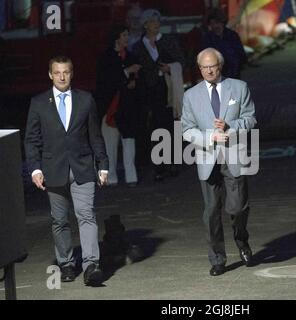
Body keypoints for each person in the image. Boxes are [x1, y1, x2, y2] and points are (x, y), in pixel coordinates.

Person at [24, 55, 109, 286]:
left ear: (72, 73)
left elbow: (95, 135)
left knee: (86, 215)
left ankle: (92, 265)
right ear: (50, 74)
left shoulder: (86, 99)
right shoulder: (39, 102)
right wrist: (34, 169)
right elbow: (32, 139)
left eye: (66, 72)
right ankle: (67, 264)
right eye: (57, 72)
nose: (62, 76)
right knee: (60, 220)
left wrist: (103, 165)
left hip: (83, 167)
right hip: (53, 169)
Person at [181, 48, 257, 276]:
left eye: (212, 66)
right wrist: (209, 137)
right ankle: (217, 259)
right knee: (211, 211)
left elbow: (250, 118)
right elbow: (186, 129)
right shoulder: (191, 95)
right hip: (207, 158)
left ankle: (241, 239)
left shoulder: (239, 87)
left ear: (220, 65)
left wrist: (230, 128)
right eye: (203, 67)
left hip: (233, 155)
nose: (208, 71)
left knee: (238, 207)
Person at [132, 8, 185, 181]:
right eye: (153, 22)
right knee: (156, 127)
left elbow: (182, 60)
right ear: (146, 25)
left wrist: (170, 68)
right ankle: (160, 165)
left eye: (158, 22)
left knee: (172, 124)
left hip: (168, 87)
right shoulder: (139, 46)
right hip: (151, 90)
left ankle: (174, 163)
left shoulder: (168, 41)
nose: (157, 25)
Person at [95, 25, 141, 187]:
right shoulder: (106, 58)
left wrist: (133, 81)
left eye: (127, 35)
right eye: (124, 35)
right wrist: (127, 73)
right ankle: (111, 177)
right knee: (110, 145)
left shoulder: (131, 56)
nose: (127, 38)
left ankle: (131, 176)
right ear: (116, 38)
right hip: (111, 107)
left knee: (129, 142)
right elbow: (106, 81)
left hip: (127, 107)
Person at [203, 8, 247, 79]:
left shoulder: (232, 35)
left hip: (233, 75)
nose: (215, 26)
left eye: (217, 23)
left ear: (222, 23)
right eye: (212, 24)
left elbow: (241, 55)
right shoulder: (208, 38)